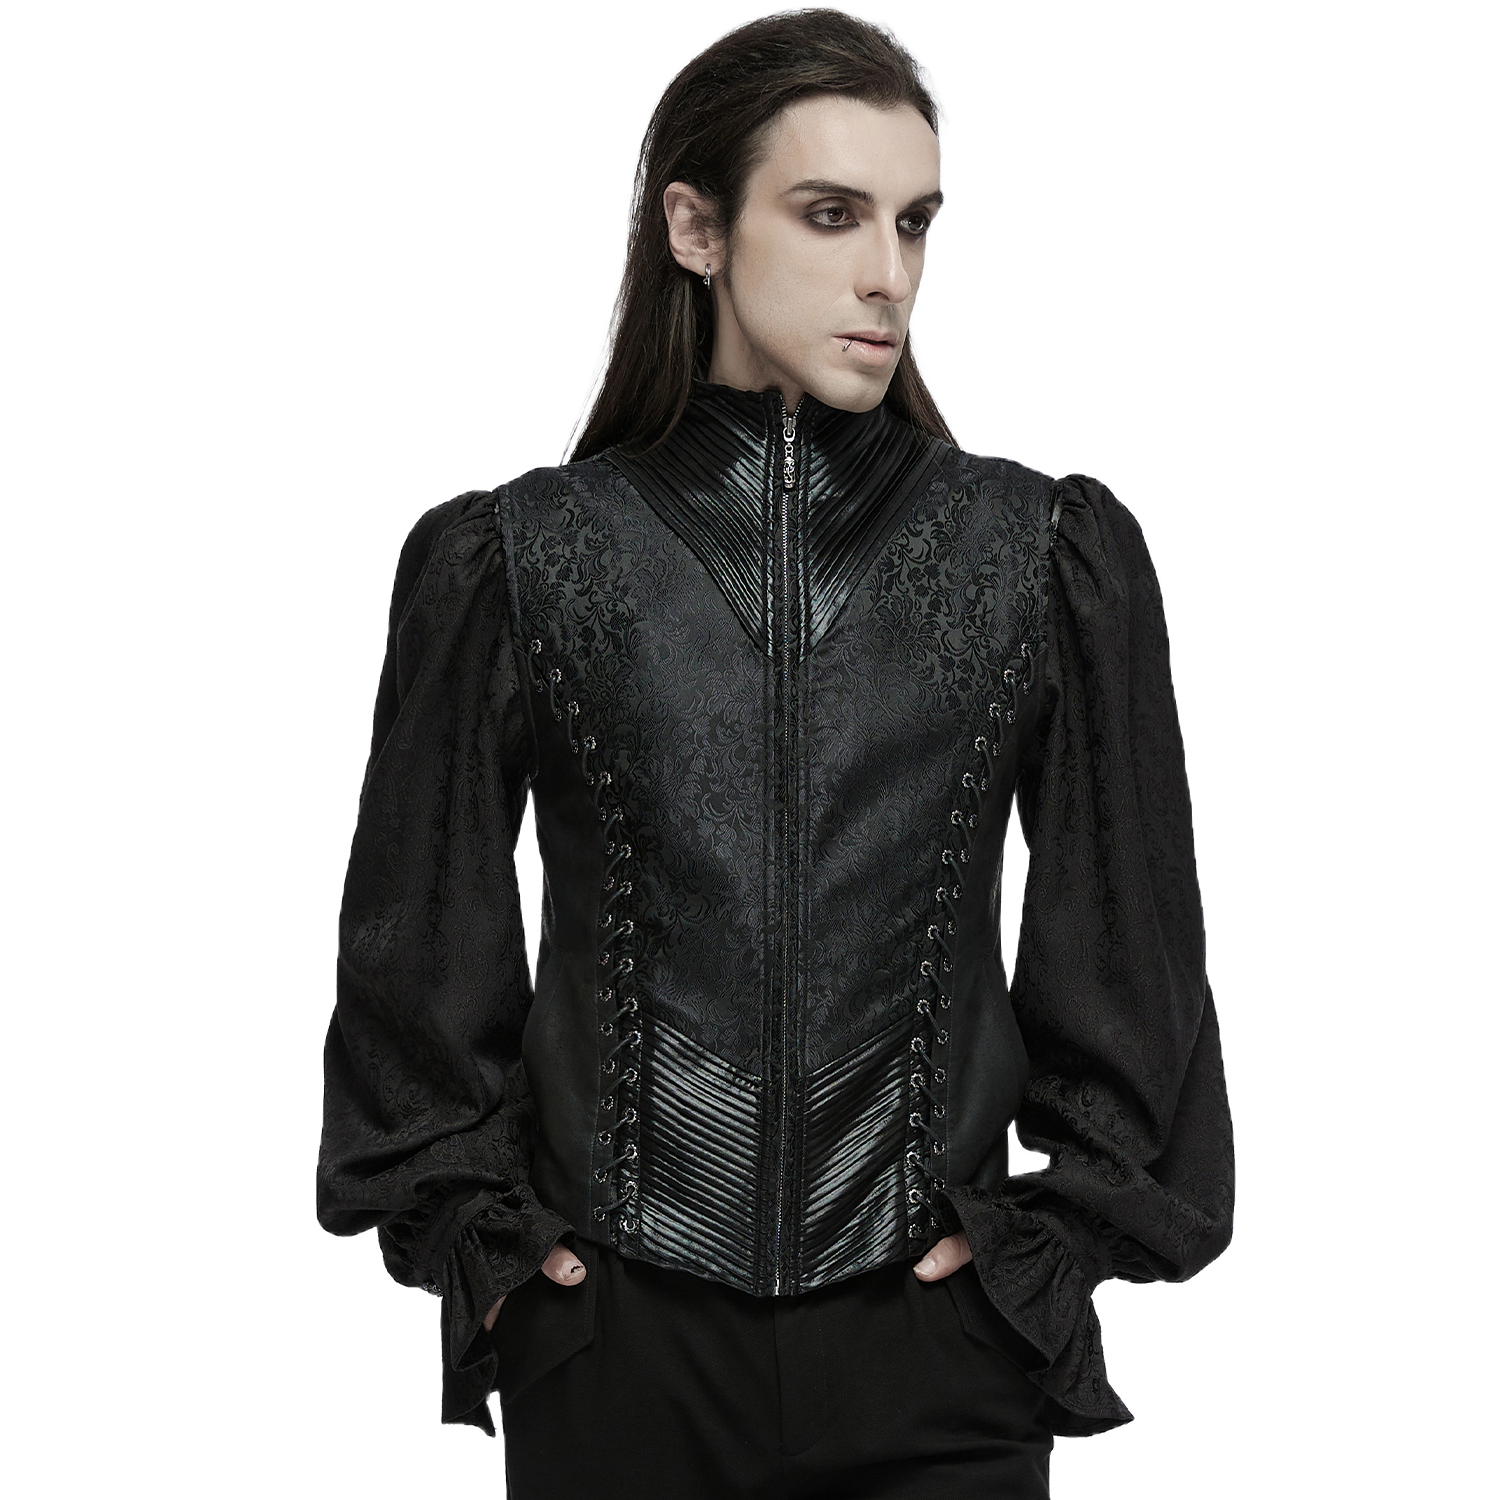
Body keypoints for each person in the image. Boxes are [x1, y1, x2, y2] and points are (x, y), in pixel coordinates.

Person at [316, 9, 1234, 1497]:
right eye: (830, 214)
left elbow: (1133, 955)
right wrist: (491, 1254)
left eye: (914, 222)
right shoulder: (522, 558)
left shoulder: (1037, 556)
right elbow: (416, 966)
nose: (889, 273)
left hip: (939, 1346)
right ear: (696, 228)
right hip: (614, 1341)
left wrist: (1058, 1240)